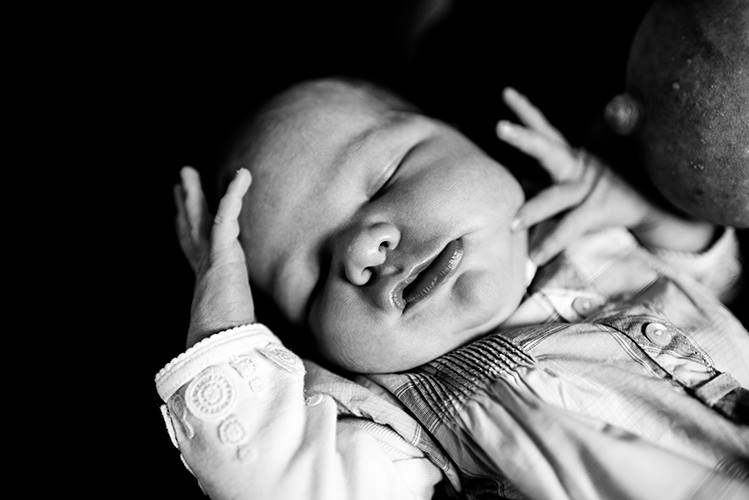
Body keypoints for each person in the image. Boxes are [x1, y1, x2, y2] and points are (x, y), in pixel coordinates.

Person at [156, 78, 749, 500]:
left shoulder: (593, 236)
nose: (363, 249)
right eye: (313, 280)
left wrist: (644, 212)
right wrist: (221, 323)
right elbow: (278, 481)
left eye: (386, 178)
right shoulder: (395, 428)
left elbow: (716, 278)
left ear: (473, 143)